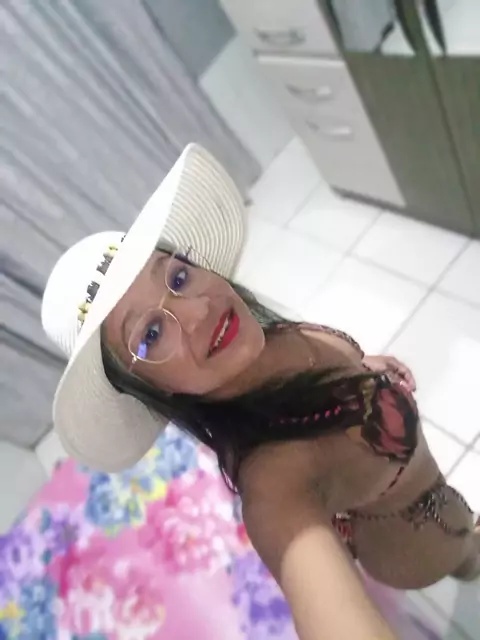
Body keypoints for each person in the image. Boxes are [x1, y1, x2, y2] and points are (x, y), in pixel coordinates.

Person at [42, 144, 479, 640]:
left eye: (177, 276)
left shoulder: (252, 341)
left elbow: (324, 366)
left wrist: (362, 369)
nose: (198, 310)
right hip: (424, 539)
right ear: (150, 389)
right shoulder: (276, 486)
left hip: (430, 489)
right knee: (469, 556)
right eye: (151, 334)